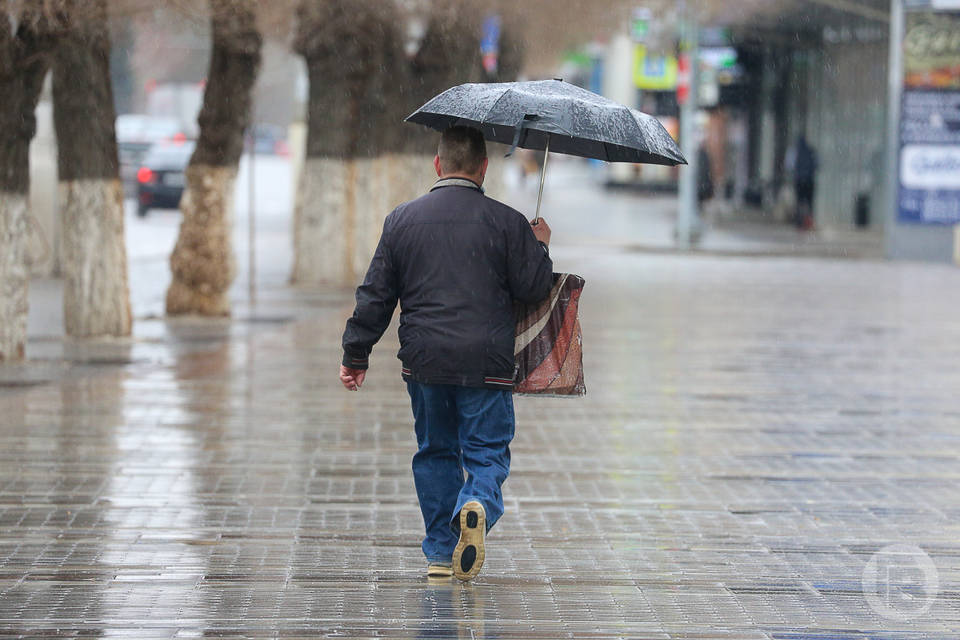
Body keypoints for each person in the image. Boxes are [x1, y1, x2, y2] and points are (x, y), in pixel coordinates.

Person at [338, 126, 554, 581]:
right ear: (484, 168)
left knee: (435, 451)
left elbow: (376, 295)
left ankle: (440, 553)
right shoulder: (507, 222)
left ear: (438, 164)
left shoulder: (402, 220)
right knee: (486, 451)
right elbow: (534, 289)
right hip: (486, 362)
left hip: (425, 360)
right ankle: (474, 503)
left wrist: (356, 352)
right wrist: (538, 245)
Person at [789, 135, 818, 230]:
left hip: (799, 181)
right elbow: (817, 164)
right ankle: (808, 222)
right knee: (809, 203)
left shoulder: (795, 151)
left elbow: (789, 165)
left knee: (799, 202)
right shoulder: (811, 151)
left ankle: (799, 222)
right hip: (809, 181)